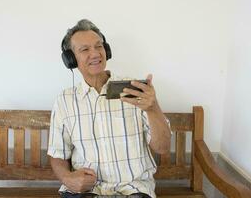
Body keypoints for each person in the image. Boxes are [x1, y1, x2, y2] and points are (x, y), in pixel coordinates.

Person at [47, 19, 171, 198]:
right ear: (71, 59)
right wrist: (67, 178)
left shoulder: (136, 90)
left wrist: (153, 108)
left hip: (133, 190)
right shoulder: (64, 101)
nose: (96, 53)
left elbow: (163, 147)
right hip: (86, 192)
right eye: (85, 49)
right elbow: (57, 154)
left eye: (99, 46)